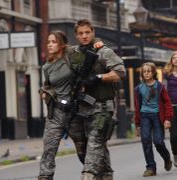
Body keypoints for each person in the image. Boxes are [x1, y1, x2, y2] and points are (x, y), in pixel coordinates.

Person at [38, 30, 103, 180]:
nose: (50, 45)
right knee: (49, 147)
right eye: (48, 42)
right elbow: (47, 85)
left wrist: (98, 43)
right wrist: (43, 91)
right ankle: (45, 176)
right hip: (55, 112)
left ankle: (96, 173)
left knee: (82, 149)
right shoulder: (46, 66)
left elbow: (88, 48)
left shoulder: (72, 56)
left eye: (54, 42)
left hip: (74, 111)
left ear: (61, 44)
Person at [68, 19, 126, 180]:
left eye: (87, 32)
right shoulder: (72, 53)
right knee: (85, 148)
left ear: (93, 32)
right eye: (81, 33)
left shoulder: (104, 52)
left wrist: (98, 77)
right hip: (81, 107)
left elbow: (120, 72)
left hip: (102, 107)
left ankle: (88, 175)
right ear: (76, 36)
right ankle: (106, 175)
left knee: (95, 142)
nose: (84, 36)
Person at [134, 62, 173, 177]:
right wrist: (137, 124)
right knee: (146, 141)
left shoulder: (160, 86)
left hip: (157, 116)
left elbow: (167, 103)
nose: (146, 73)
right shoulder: (138, 88)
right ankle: (151, 167)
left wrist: (167, 119)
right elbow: (137, 107)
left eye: (148, 71)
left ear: (153, 73)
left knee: (158, 141)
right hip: (144, 116)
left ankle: (167, 158)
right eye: (144, 71)